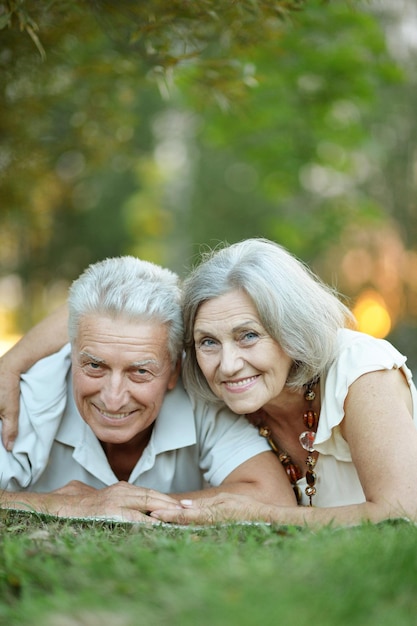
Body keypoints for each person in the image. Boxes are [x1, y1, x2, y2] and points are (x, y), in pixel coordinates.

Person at [0, 254, 294, 522]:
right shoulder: (29, 392)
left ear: (174, 370)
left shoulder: (200, 391)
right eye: (94, 366)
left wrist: (125, 505)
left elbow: (273, 497)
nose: (113, 398)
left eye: (140, 371)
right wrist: (62, 505)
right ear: (70, 354)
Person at [147, 238, 417, 526]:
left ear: (293, 329)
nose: (227, 365)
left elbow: (401, 515)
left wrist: (263, 515)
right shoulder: (226, 398)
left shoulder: (361, 373)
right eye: (208, 342)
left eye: (248, 336)